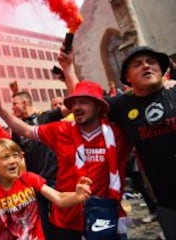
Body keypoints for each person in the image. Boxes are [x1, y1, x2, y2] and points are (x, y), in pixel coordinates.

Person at [0, 80, 132, 240]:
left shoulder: (119, 134)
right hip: (66, 219)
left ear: (99, 106)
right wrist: (1, 111)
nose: (76, 107)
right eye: (74, 103)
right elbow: (26, 131)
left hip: (104, 218)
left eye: (83, 102)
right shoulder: (60, 130)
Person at [61, 46, 176, 239]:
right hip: (168, 202)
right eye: (137, 64)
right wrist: (68, 68)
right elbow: (85, 101)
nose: (146, 66)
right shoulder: (122, 106)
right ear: (128, 77)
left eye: (151, 62)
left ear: (162, 69)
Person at [0, 138, 92, 240]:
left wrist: (77, 196)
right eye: (5, 157)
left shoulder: (29, 178)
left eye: (15, 156)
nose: (13, 161)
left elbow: (60, 198)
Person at [9, 90, 65, 240]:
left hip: (55, 179)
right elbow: (16, 153)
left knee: (61, 218)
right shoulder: (17, 128)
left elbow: (68, 109)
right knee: (40, 220)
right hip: (34, 182)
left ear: (25, 103)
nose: (12, 107)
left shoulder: (46, 117)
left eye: (15, 104)